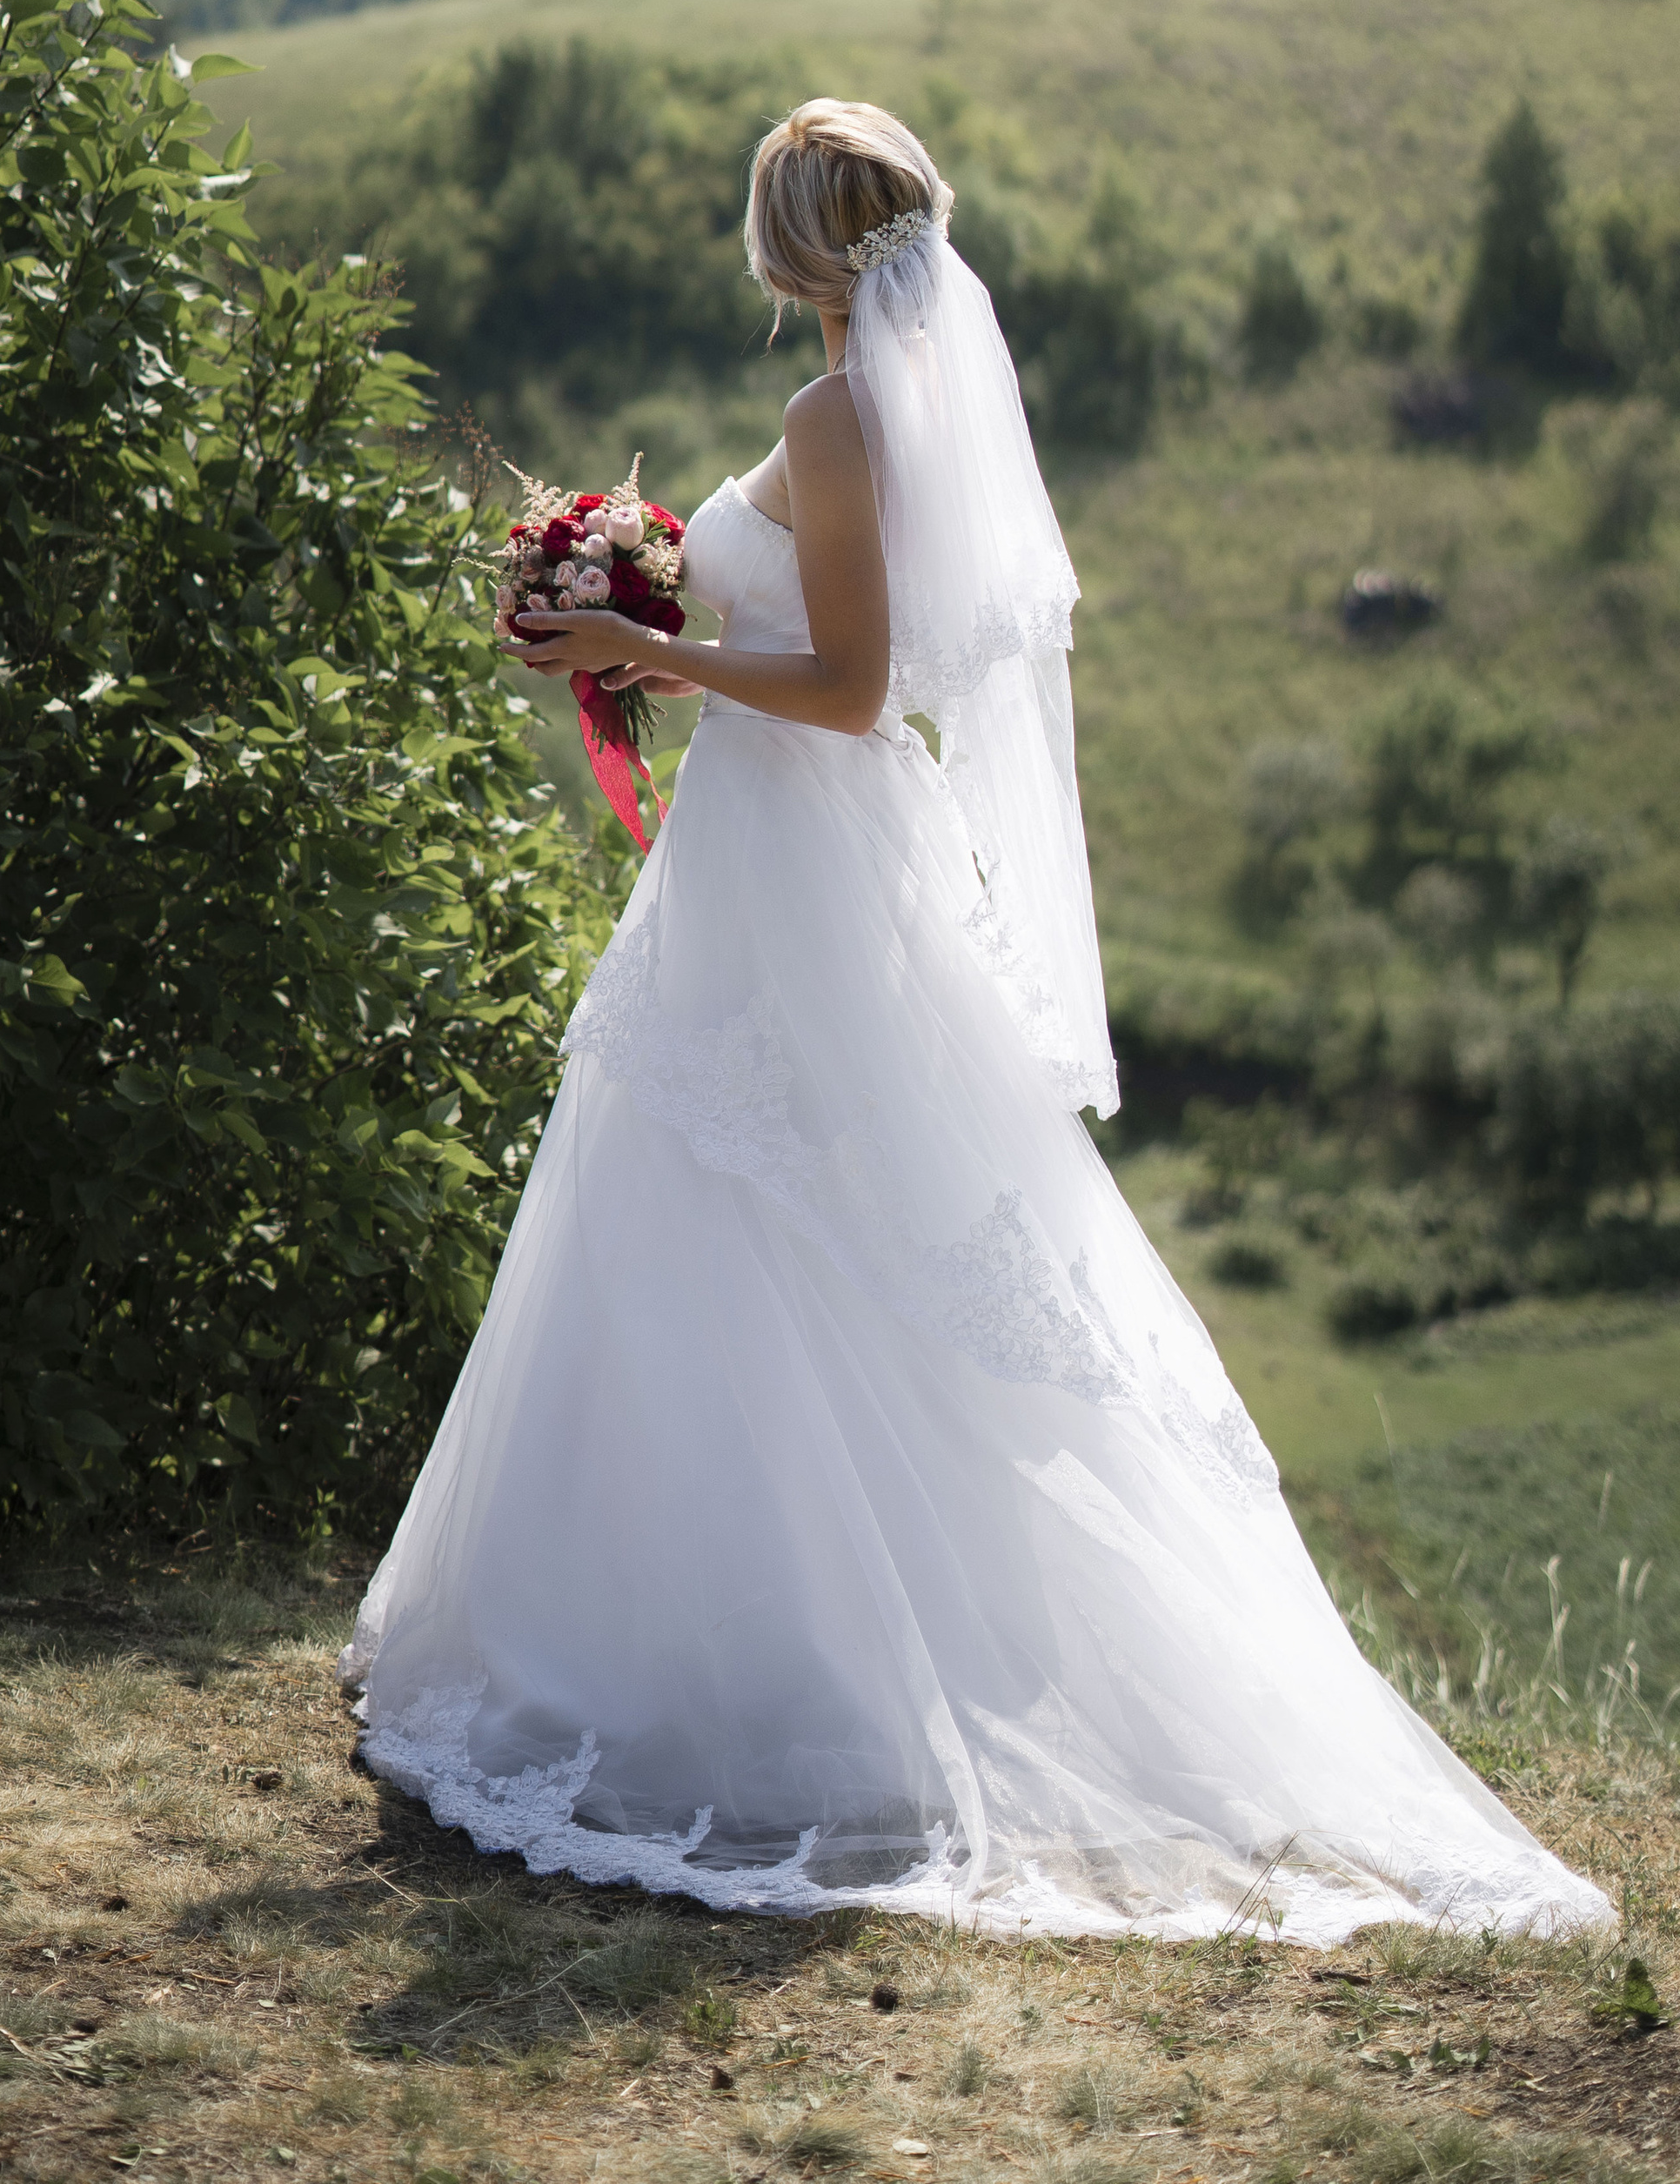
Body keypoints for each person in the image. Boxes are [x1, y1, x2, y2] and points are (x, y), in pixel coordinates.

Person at [339, 100, 1610, 1944]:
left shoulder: (831, 416)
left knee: (776, 1227)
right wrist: (650, 596)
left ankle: (734, 1682)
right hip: (780, 857)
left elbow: (845, 689)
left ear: (790, 248)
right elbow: (837, 638)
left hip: (797, 861)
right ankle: (711, 1642)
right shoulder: (892, 410)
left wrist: (646, 652)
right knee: (759, 1229)